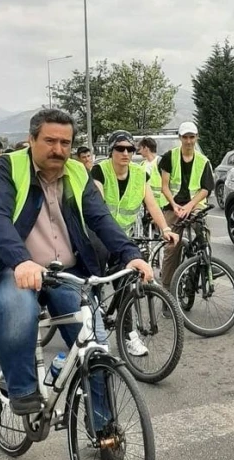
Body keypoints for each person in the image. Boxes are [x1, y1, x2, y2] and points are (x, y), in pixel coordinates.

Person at [0, 109, 153, 419]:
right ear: (31, 140)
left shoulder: (77, 172)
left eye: (65, 143)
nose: (58, 149)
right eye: (50, 141)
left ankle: (104, 427)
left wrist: (130, 254)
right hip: (11, 266)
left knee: (94, 345)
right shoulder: (7, 167)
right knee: (20, 310)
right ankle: (21, 388)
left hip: (63, 271)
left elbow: (101, 218)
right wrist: (21, 262)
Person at [90, 130, 179, 355]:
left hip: (123, 239)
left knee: (125, 282)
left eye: (130, 149)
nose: (126, 153)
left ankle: (129, 335)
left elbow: (152, 205)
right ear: (111, 150)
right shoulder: (100, 170)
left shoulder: (140, 174)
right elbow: (98, 209)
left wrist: (165, 228)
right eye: (120, 148)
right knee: (95, 270)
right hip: (98, 235)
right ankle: (95, 307)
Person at [159, 122, 214, 293]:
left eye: (192, 137)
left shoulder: (203, 161)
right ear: (180, 138)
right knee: (171, 247)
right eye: (185, 137)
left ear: (196, 138)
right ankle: (167, 291)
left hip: (194, 205)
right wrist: (175, 205)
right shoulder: (170, 157)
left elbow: (206, 189)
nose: (189, 141)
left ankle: (205, 265)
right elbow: (165, 186)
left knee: (203, 234)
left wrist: (190, 206)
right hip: (173, 205)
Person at [137, 136, 165, 208]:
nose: (139, 152)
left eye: (140, 149)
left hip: (161, 205)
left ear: (146, 148)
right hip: (147, 205)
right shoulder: (142, 165)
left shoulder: (161, 162)